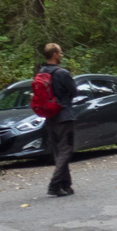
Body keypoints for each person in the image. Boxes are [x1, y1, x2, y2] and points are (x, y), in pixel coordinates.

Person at [34, 42, 79, 197]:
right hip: (65, 116)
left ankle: (66, 185)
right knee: (66, 151)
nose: (61, 55)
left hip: (50, 117)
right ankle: (54, 185)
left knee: (59, 152)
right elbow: (74, 92)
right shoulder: (62, 73)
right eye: (60, 52)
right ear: (54, 54)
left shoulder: (40, 73)